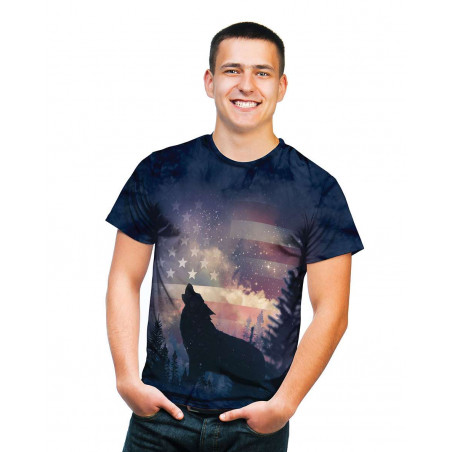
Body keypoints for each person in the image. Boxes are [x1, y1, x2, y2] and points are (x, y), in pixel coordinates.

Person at [105, 21, 364, 452]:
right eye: (232, 70)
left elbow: (333, 311)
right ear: (210, 82)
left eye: (262, 72)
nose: (247, 85)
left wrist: (283, 405)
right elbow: (124, 277)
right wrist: (126, 379)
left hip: (254, 429)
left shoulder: (319, 191)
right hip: (159, 421)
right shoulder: (159, 171)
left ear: (281, 86)